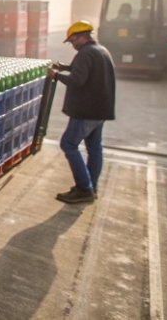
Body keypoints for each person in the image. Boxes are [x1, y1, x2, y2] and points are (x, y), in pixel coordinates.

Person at [47, 20, 116, 204]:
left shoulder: (86, 54)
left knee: (68, 144)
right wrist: (66, 67)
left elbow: (77, 80)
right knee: (94, 148)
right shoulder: (100, 51)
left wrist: (56, 75)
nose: (72, 45)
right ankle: (91, 186)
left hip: (87, 111)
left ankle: (84, 189)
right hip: (100, 111)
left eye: (72, 41)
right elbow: (86, 72)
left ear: (81, 36)